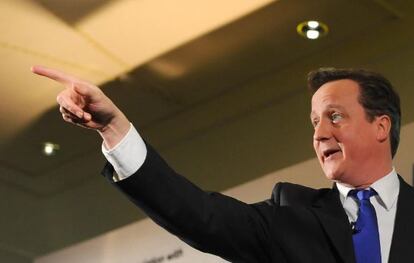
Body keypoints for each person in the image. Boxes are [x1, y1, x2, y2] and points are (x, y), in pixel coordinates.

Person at [31, 66, 414, 263]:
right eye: (314, 122)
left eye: (334, 116)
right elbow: (199, 215)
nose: (319, 134)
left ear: (381, 126)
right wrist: (114, 128)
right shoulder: (291, 214)